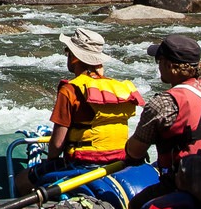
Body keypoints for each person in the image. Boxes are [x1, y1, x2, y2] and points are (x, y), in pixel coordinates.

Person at [123, 34, 201, 209]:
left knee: (136, 206)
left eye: (158, 61)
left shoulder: (162, 103)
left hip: (191, 183)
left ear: (170, 66)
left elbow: (136, 152)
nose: (158, 66)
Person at [46, 29, 142, 166]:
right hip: (119, 161)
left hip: (82, 163)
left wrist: (50, 162)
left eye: (67, 51)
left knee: (22, 180)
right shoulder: (118, 88)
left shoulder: (69, 90)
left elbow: (57, 144)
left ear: (74, 57)